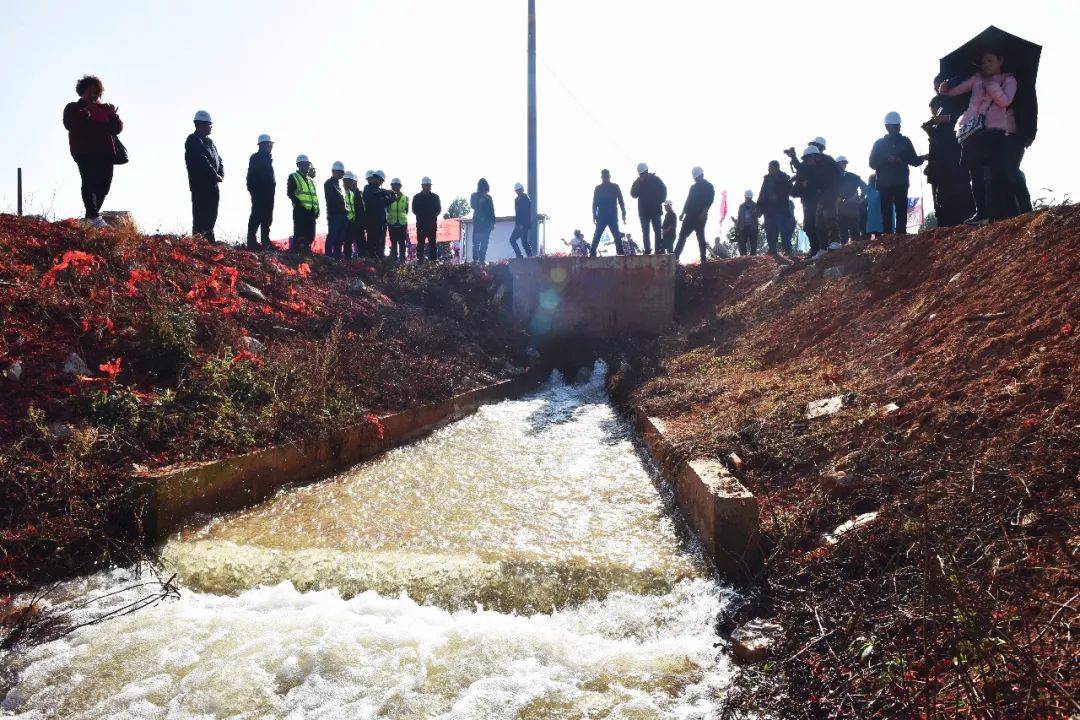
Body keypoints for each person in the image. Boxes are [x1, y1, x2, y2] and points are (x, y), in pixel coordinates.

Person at [938, 48, 1019, 224]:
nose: (985, 65)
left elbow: (1005, 101)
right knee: (975, 174)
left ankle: (1004, 211)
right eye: (983, 62)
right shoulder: (977, 78)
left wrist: (991, 85)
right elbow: (953, 92)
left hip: (995, 131)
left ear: (1000, 60)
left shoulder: (1009, 79)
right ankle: (981, 212)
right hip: (973, 132)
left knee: (998, 172)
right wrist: (944, 89)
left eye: (990, 60)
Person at [63, 75, 123, 227]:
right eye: (89, 91)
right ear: (82, 92)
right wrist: (86, 111)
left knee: (104, 187)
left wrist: (113, 114)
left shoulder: (104, 109)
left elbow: (117, 129)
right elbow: (70, 124)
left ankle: (91, 218)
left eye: (96, 92)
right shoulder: (73, 107)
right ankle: (95, 217)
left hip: (106, 153)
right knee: (89, 182)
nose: (93, 95)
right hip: (84, 152)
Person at [868, 111, 924, 234]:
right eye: (894, 125)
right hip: (884, 183)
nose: (897, 127)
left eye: (898, 125)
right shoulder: (879, 144)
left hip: (901, 182)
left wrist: (923, 158)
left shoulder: (905, 141)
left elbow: (914, 160)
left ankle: (901, 237)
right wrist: (886, 160)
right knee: (886, 211)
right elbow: (872, 163)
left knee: (901, 210)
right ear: (887, 127)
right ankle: (888, 237)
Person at [921, 99, 974, 228]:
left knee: (959, 194)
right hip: (940, 169)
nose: (934, 115)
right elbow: (936, 149)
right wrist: (931, 132)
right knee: (942, 200)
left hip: (954, 165)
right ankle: (946, 224)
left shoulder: (953, 119)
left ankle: (965, 219)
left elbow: (947, 143)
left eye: (935, 111)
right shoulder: (937, 128)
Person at [791, 146, 842, 259]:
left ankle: (835, 241)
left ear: (815, 156)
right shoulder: (814, 167)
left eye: (808, 159)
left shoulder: (827, 164)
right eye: (806, 159)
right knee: (819, 223)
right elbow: (801, 168)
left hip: (830, 195)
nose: (807, 161)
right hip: (821, 197)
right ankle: (823, 248)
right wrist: (794, 158)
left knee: (830, 218)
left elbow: (834, 179)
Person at [183, 110, 224, 243]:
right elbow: (201, 160)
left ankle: (209, 240)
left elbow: (219, 159)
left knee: (212, 214)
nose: (211, 126)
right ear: (201, 124)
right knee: (201, 215)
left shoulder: (210, 142)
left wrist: (220, 174)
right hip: (200, 185)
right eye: (209, 124)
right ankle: (200, 242)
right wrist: (214, 174)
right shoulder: (193, 140)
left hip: (213, 184)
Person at [673, 166, 715, 263]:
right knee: (682, 236)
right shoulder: (693, 187)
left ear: (702, 175)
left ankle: (703, 258)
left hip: (701, 216)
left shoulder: (708, 186)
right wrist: (683, 212)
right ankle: (675, 257)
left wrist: (704, 212)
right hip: (689, 216)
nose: (696, 179)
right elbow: (688, 200)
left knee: (700, 236)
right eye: (695, 178)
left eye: (698, 177)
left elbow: (710, 200)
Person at [757, 161, 794, 256]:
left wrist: (778, 195)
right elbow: (762, 193)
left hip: (781, 209)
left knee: (784, 232)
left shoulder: (784, 177)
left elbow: (791, 191)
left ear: (776, 168)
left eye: (770, 167)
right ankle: (772, 250)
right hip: (769, 210)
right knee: (770, 232)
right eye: (768, 167)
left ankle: (788, 251)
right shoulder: (767, 178)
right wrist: (759, 207)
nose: (768, 169)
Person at [245, 134, 275, 251]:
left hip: (268, 193)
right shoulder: (256, 157)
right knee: (256, 216)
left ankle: (265, 241)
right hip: (260, 193)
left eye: (271, 144)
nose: (271, 146)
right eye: (269, 144)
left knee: (267, 218)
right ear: (262, 145)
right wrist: (254, 191)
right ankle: (251, 241)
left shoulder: (268, 158)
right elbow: (251, 176)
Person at [629, 162, 667, 255]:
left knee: (658, 231)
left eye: (643, 173)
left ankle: (658, 249)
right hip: (644, 212)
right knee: (645, 232)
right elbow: (633, 194)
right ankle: (647, 250)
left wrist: (660, 200)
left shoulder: (656, 179)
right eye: (640, 174)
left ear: (647, 171)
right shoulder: (638, 182)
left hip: (655, 211)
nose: (642, 175)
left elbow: (664, 190)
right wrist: (639, 183)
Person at [590, 169, 627, 256]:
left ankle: (620, 252)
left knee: (616, 235)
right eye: (604, 177)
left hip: (612, 215)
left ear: (609, 177)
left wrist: (623, 213)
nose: (605, 178)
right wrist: (594, 215)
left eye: (607, 177)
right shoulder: (598, 188)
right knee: (597, 235)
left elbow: (621, 200)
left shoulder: (615, 187)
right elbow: (594, 203)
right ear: (601, 177)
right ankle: (592, 252)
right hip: (602, 216)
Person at [287, 155, 319, 253]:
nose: (306, 166)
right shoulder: (293, 176)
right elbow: (290, 193)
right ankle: (297, 253)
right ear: (299, 165)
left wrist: (317, 210)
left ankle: (304, 249)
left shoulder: (311, 180)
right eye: (304, 164)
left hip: (311, 212)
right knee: (300, 234)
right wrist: (298, 203)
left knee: (311, 235)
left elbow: (314, 197)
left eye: (307, 164)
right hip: (300, 211)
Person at [362, 170, 397, 259]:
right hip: (372, 222)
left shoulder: (380, 190)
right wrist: (385, 192)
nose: (381, 182)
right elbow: (370, 198)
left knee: (381, 244)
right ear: (376, 178)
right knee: (372, 243)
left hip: (381, 222)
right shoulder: (368, 188)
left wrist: (393, 198)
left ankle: (380, 262)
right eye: (380, 180)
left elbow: (384, 202)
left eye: (382, 181)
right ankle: (371, 261)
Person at [835, 156, 868, 244]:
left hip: (852, 206)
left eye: (845, 163)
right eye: (842, 163)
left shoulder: (852, 176)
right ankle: (843, 252)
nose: (844, 165)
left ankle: (857, 250)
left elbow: (864, 186)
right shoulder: (832, 178)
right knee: (842, 231)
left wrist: (861, 197)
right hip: (839, 207)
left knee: (854, 230)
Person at [322, 161, 348, 259]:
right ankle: (328, 255)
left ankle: (337, 255)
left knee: (340, 238)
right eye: (338, 172)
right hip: (334, 214)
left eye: (341, 172)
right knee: (332, 235)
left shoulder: (340, 185)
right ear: (333, 171)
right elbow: (330, 199)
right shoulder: (329, 183)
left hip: (342, 215)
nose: (340, 174)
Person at [412, 176, 441, 263]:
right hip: (421, 225)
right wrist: (423, 217)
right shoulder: (416, 197)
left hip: (432, 224)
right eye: (426, 185)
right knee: (420, 244)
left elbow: (438, 209)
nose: (428, 187)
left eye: (429, 185)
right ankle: (420, 261)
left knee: (433, 244)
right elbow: (414, 210)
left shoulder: (435, 197)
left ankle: (433, 261)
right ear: (422, 186)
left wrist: (432, 216)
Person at [469, 178, 496, 263]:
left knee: (485, 243)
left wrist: (492, 222)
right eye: (483, 188)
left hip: (487, 224)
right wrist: (480, 201)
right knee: (476, 242)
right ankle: (475, 259)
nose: (485, 190)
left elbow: (492, 210)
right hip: (478, 222)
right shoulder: (474, 195)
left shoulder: (489, 197)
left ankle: (482, 260)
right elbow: (473, 206)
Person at [507, 183, 535, 258]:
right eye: (517, 190)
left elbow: (525, 213)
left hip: (524, 224)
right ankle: (524, 256)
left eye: (519, 190)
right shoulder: (516, 199)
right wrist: (517, 224)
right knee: (520, 241)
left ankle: (528, 256)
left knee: (520, 241)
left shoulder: (525, 198)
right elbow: (518, 213)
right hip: (519, 224)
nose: (518, 191)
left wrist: (522, 225)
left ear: (522, 190)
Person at [386, 178, 409, 262]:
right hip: (392, 224)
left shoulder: (405, 198)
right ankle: (394, 261)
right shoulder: (388, 197)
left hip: (402, 224)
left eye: (396, 185)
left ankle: (402, 261)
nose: (394, 187)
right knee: (393, 244)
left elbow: (406, 211)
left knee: (402, 243)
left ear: (400, 186)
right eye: (393, 185)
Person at [341, 171, 362, 260]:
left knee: (349, 242)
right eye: (349, 180)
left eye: (352, 181)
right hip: (344, 221)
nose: (351, 183)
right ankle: (344, 258)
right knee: (344, 241)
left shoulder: (352, 193)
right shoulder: (341, 192)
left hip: (352, 221)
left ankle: (348, 258)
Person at [734, 190, 760, 256]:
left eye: (749, 197)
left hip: (753, 227)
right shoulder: (741, 206)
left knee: (753, 244)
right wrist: (737, 227)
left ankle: (753, 257)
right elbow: (739, 217)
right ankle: (744, 257)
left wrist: (754, 212)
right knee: (742, 243)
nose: (748, 199)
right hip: (743, 227)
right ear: (745, 197)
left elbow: (759, 215)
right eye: (747, 197)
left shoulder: (755, 205)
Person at [865, 174, 884, 238]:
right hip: (883, 220)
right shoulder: (883, 191)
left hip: (873, 219)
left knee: (876, 235)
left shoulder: (870, 191)